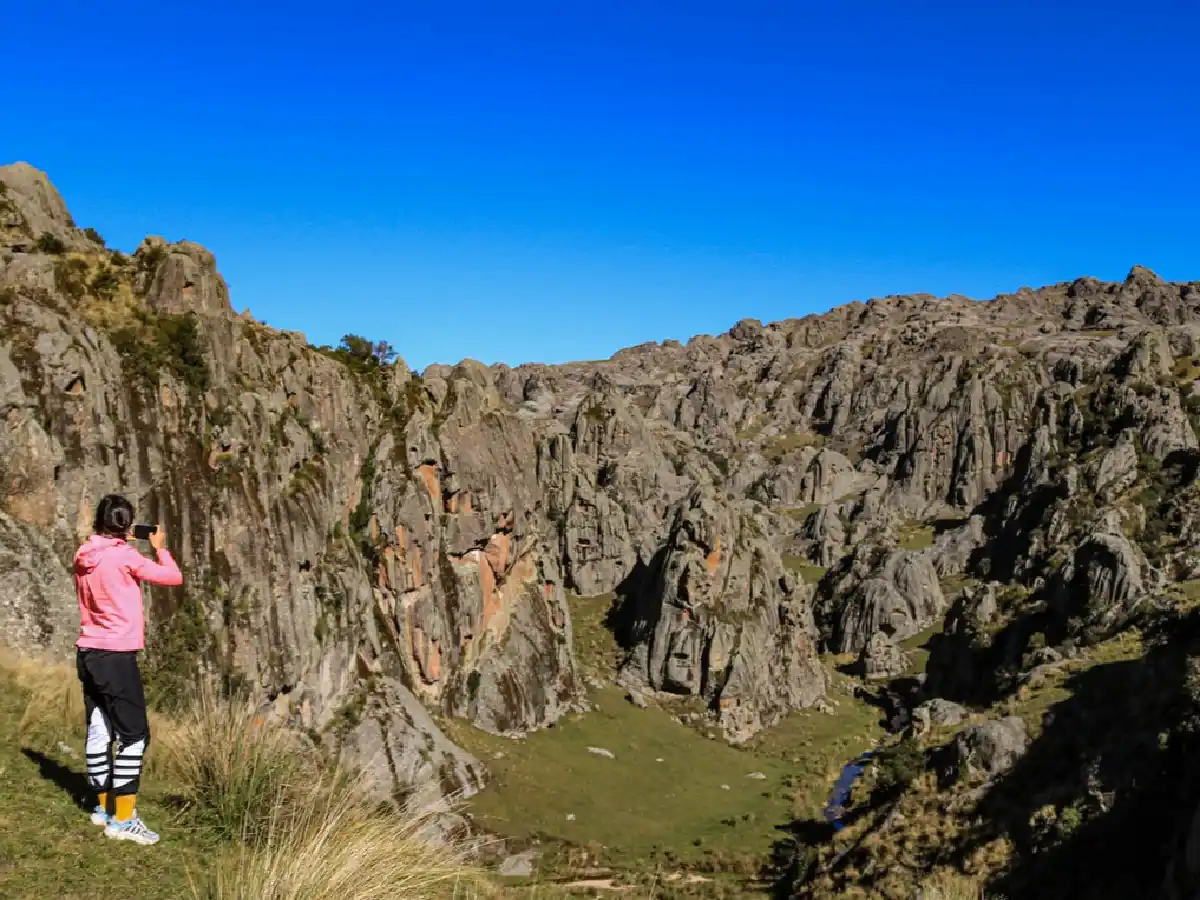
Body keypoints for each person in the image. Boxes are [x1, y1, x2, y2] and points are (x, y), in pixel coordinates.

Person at [75, 494, 182, 845]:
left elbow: (105, 547)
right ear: (125, 525)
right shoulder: (125, 557)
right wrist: (159, 547)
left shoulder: (84, 554)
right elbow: (172, 577)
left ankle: (104, 807)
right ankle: (123, 820)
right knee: (134, 736)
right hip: (117, 657)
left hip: (88, 651)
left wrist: (119, 536)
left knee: (99, 727)